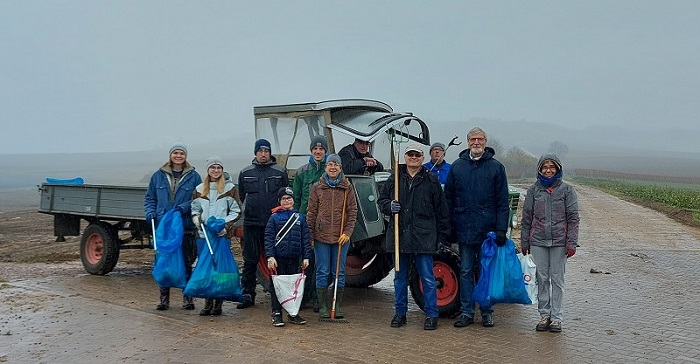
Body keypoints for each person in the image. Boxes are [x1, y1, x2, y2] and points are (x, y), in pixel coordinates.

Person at [378, 143, 450, 330]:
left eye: (417, 155)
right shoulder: (394, 178)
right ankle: (400, 313)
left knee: (427, 278)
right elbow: (381, 201)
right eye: (410, 154)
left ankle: (432, 315)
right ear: (405, 157)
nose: (413, 158)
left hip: (423, 238)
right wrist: (388, 206)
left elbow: (441, 211)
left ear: (423, 158)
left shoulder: (431, 180)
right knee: (399, 278)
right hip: (400, 237)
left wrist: (442, 237)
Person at [444, 127, 510, 328]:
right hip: (464, 228)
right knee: (465, 271)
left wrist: (501, 229)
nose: (476, 142)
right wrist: (449, 228)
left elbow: (502, 202)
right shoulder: (457, 167)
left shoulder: (496, 168)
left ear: (485, 141)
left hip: (487, 231)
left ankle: (487, 311)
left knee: (485, 271)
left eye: (479, 139)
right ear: (467, 142)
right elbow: (448, 199)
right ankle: (466, 312)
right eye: (472, 139)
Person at [520, 154, 580, 333]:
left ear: (558, 169)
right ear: (539, 170)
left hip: (560, 242)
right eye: (545, 167)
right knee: (542, 279)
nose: (548, 170)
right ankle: (544, 315)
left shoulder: (567, 191)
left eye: (551, 167)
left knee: (557, 280)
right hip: (538, 240)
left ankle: (557, 318)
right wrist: (525, 241)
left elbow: (573, 219)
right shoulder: (533, 191)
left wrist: (572, 243)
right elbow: (526, 218)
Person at [144, 143, 202, 311]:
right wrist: (150, 212)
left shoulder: (194, 177)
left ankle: (187, 297)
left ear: (186, 156)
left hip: (184, 226)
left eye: (181, 153)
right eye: (175, 153)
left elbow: (197, 199)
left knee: (186, 261)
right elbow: (150, 198)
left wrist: (182, 208)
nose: (178, 156)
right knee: (163, 261)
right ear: (170, 155)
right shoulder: (158, 176)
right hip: (164, 227)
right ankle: (164, 298)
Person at [237, 139, 289, 309]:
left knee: (276, 259)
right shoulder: (245, 173)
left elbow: (284, 197)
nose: (263, 154)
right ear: (255, 153)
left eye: (266, 151)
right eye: (260, 151)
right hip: (251, 223)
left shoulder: (280, 172)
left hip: (273, 224)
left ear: (270, 153)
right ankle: (247, 294)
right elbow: (242, 195)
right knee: (250, 260)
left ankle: (280, 294)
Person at [306, 154, 358, 319]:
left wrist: (347, 233)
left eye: (336, 164)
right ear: (326, 167)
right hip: (321, 237)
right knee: (322, 271)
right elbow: (311, 212)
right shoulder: (317, 187)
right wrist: (311, 236)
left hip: (341, 238)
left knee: (339, 272)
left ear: (340, 168)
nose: (333, 167)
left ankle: (338, 305)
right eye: (330, 165)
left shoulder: (347, 187)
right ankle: (322, 306)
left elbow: (352, 211)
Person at [191, 156, 241, 316]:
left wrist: (225, 225)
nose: (216, 170)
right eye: (213, 168)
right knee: (205, 268)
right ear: (208, 170)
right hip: (204, 236)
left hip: (221, 236)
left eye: (219, 168)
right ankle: (207, 302)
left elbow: (237, 211)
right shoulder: (199, 190)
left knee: (219, 268)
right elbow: (195, 208)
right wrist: (196, 219)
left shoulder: (229, 189)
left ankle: (218, 302)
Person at [264, 187, 312, 326]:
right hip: (278, 258)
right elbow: (268, 238)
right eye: (284, 198)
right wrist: (270, 256)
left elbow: (305, 239)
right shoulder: (274, 218)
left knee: (293, 287)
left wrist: (306, 257)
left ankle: (293, 312)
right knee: (277, 286)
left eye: (289, 198)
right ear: (280, 201)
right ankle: (277, 313)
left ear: (293, 200)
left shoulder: (300, 218)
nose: (287, 201)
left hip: (294, 257)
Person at [291, 134, 328, 312]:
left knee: (320, 262)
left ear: (325, 151)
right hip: (305, 222)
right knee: (305, 261)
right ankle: (301, 297)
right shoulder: (302, 172)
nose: (318, 151)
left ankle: (316, 298)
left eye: (321, 149)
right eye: (315, 149)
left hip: (324, 224)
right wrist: (298, 219)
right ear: (311, 151)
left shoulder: (331, 170)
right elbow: (296, 198)